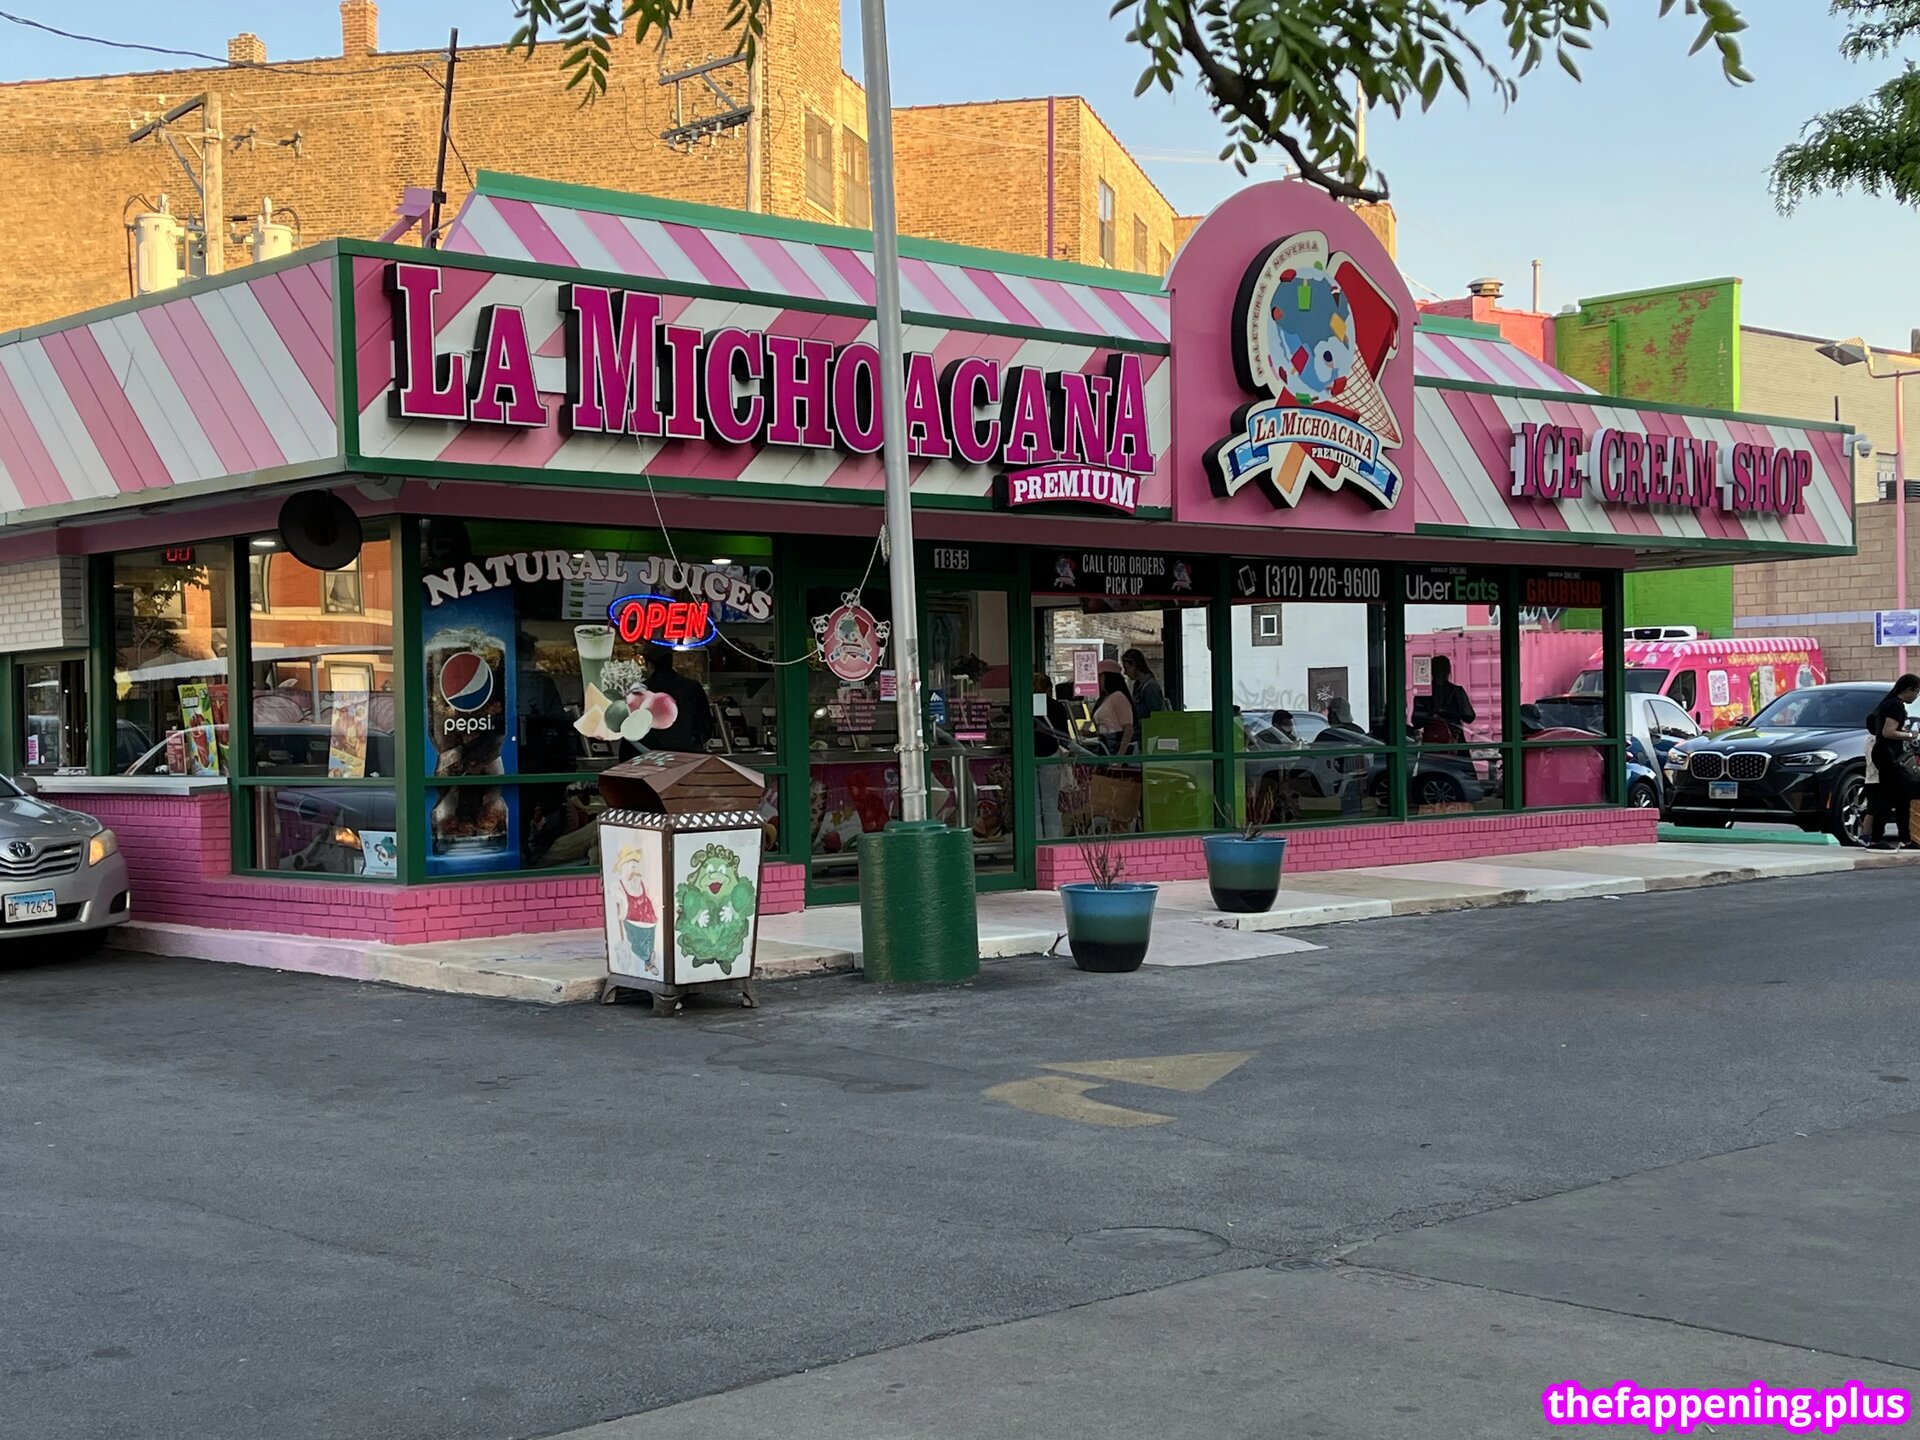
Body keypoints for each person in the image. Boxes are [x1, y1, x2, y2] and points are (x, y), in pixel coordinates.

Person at [1863, 673, 1920, 849]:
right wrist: (1909, 735)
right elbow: (1888, 732)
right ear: (1909, 690)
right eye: (1916, 692)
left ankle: (1905, 838)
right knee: (1888, 798)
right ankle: (1876, 838)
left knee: (1902, 797)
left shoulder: (1887, 704)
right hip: (1889, 755)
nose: (1916, 696)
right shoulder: (1895, 706)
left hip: (1884, 753)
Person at [631, 643, 713, 754]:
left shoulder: (640, 691)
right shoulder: (692, 687)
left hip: (650, 756)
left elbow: (632, 733)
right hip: (687, 755)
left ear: (649, 665)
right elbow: (705, 727)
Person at [1032, 672, 1074, 839]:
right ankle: (1053, 841)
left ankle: (1036, 840)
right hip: (1050, 754)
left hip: (1028, 755)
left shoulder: (1024, 705)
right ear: (1049, 688)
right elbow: (1064, 736)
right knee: (1050, 804)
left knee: (1034, 805)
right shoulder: (1056, 706)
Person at [1416, 655, 1476, 743]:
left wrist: (1431, 716)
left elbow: (1416, 722)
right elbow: (1469, 717)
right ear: (1449, 671)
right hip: (1455, 741)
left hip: (1431, 742)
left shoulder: (1423, 694)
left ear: (1431, 672)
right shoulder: (1457, 691)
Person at [1093, 670, 1136, 755]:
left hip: (1115, 745)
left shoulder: (1118, 697)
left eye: (1101, 679)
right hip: (1105, 744)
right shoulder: (1104, 699)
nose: (1098, 683)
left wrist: (1120, 754)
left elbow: (1128, 728)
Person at [1121, 648, 1168, 723]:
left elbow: (1157, 716)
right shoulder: (1138, 685)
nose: (1125, 673)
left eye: (1126, 668)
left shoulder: (1150, 687)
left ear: (1134, 665)